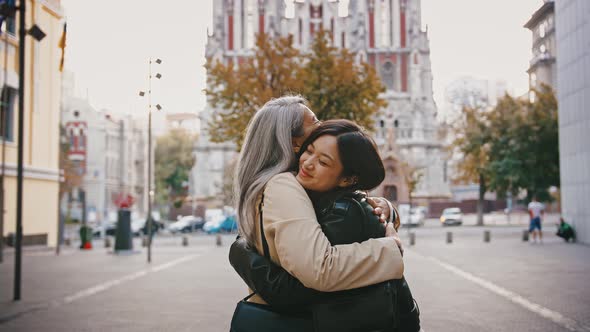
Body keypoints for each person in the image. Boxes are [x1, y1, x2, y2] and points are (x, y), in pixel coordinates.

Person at [230, 96, 404, 329]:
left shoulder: (274, 184)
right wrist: (390, 249)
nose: (322, 125)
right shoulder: (284, 186)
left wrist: (386, 209)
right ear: (294, 143)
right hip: (298, 320)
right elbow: (319, 269)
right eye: (315, 120)